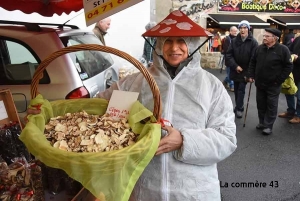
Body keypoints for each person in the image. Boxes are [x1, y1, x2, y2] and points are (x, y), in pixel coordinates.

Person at [28, 10, 237, 201]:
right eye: (168, 41)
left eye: (181, 41)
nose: (174, 47)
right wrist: (47, 111)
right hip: (144, 189)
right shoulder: (134, 83)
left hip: (194, 192)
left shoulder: (212, 87)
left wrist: (184, 140)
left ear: (192, 44)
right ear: (158, 44)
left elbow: (226, 139)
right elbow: (90, 110)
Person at [246, 28, 293, 135]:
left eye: (267, 36)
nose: (264, 38)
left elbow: (289, 66)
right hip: (260, 82)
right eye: (264, 36)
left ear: (275, 38)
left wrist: (279, 80)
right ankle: (262, 122)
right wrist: (251, 75)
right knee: (261, 104)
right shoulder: (259, 48)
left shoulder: (283, 49)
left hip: (274, 84)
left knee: (271, 105)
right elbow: (253, 62)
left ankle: (268, 125)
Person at [225, 20, 258, 118]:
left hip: (246, 70)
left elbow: (254, 59)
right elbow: (229, 55)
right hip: (235, 69)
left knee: (241, 89)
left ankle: (239, 108)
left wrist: (251, 74)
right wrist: (235, 66)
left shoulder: (253, 42)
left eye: (245, 28)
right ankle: (238, 106)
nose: (243, 30)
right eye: (241, 28)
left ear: (248, 29)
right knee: (236, 89)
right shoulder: (234, 41)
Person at [278, 32, 300, 124]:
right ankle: (291, 111)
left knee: (299, 96)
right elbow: (289, 50)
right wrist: (291, 55)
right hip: (293, 71)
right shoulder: (298, 39)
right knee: (289, 91)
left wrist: (297, 58)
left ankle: (298, 115)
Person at [222, 26, 238, 92]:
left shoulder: (237, 39)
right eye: (234, 31)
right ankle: (232, 86)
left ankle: (225, 81)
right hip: (229, 60)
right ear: (230, 31)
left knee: (231, 74)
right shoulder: (227, 39)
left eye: (236, 31)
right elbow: (226, 51)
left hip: (235, 60)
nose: (235, 32)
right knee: (230, 74)